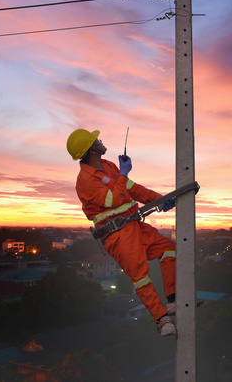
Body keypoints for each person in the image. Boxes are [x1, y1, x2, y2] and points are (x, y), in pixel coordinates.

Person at [66, 128, 178, 336]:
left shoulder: (108, 165)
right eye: (96, 140)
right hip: (117, 235)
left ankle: (172, 301)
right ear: (91, 150)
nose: (100, 141)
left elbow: (131, 189)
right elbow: (115, 199)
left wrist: (159, 200)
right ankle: (162, 321)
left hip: (135, 225)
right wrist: (124, 173)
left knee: (169, 249)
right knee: (141, 276)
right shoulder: (85, 180)